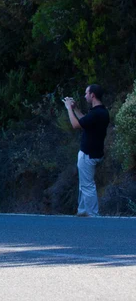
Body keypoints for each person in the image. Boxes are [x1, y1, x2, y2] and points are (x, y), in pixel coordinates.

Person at [63, 84, 110, 217]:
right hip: (95, 152)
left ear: (92, 95)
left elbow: (76, 125)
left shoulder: (96, 113)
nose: (85, 96)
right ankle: (83, 210)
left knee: (88, 185)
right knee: (84, 183)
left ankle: (93, 214)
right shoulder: (102, 112)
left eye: (86, 93)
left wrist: (68, 109)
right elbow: (85, 122)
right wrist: (75, 108)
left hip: (88, 154)